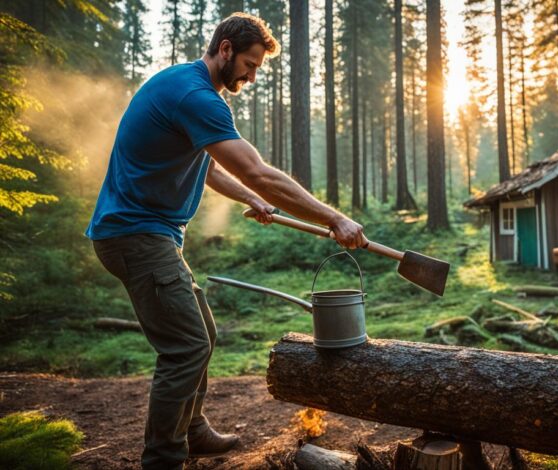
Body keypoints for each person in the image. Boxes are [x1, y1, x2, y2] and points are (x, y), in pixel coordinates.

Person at [86, 12, 366, 469]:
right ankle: (163, 458)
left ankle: (192, 430)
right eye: (250, 65)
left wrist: (255, 200)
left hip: (143, 233)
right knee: (186, 346)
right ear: (225, 49)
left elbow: (211, 168)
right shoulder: (198, 97)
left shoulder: (186, 86)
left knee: (203, 334)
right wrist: (335, 218)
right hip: (135, 234)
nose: (252, 76)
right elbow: (254, 168)